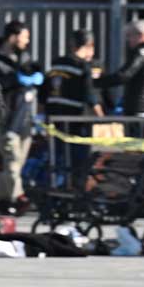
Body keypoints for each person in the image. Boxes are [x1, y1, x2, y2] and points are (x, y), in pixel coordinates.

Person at [0, 20, 40, 215]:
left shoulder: (23, 56)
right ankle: (19, 197)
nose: (27, 41)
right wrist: (14, 80)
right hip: (6, 119)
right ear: (13, 37)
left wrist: (37, 76)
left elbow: (32, 75)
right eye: (25, 36)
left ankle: (0, 200)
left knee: (13, 164)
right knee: (13, 160)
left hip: (24, 117)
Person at [44, 30, 102, 183]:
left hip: (54, 118)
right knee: (78, 160)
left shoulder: (56, 63)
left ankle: (56, 190)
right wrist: (103, 118)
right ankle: (76, 190)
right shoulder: (82, 66)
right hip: (75, 120)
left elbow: (44, 92)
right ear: (89, 45)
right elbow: (90, 94)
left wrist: (42, 118)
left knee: (56, 159)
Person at [95, 20, 144, 118]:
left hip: (139, 106)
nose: (128, 39)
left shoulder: (142, 53)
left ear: (140, 35)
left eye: (130, 35)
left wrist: (96, 82)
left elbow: (124, 75)